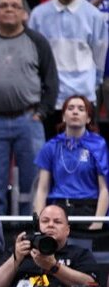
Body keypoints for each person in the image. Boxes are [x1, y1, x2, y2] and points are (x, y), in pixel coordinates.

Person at [0, 0, 58, 215]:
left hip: (29, 121)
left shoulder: (37, 41)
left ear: (24, 13)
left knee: (35, 184)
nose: (9, 9)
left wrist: (41, 113)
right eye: (4, 5)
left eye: (15, 6)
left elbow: (52, 82)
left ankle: (33, 234)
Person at [29, 0, 108, 139]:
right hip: (49, 101)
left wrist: (92, 85)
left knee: (81, 157)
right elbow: (32, 56)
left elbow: (99, 58)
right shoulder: (38, 15)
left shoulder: (93, 16)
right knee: (49, 157)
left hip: (82, 99)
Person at [34, 95, 109, 230]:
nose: (75, 112)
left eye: (81, 109)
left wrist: (98, 220)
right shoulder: (51, 146)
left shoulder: (98, 145)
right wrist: (41, 220)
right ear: (63, 116)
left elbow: (104, 188)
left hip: (88, 211)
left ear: (88, 118)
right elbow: (42, 189)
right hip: (58, 211)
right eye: (70, 108)